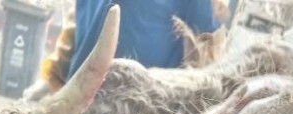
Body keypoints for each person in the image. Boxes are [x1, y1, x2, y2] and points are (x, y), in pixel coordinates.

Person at [25, 0, 227, 100]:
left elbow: (205, 43)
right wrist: (52, 80)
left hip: (138, 112)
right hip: (78, 102)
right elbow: (78, 22)